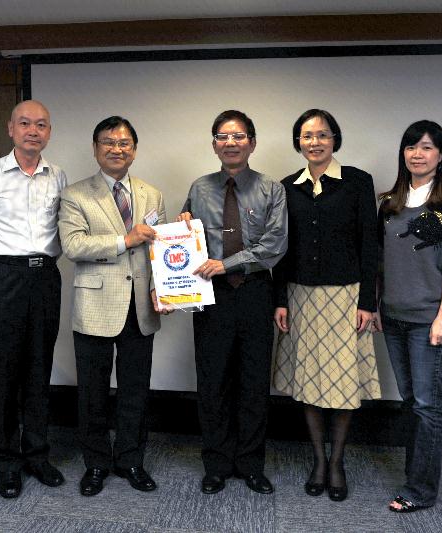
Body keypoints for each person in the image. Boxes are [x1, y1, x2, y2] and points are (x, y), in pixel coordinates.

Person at [272, 109, 381, 502]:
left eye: (322, 134)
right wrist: (280, 300)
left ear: (335, 139)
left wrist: (368, 302)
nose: (314, 142)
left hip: (346, 296)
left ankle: (337, 462)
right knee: (309, 381)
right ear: (298, 142)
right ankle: (319, 460)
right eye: (307, 135)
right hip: (300, 296)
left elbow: (370, 244)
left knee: (343, 382)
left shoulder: (357, 182)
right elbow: (281, 249)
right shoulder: (287, 187)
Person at [0, 99, 67, 499]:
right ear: (11, 129)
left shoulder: (58, 176)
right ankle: (6, 461)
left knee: (39, 369)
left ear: (49, 132)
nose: (33, 131)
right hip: (3, 277)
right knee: (5, 371)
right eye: (25, 123)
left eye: (41, 124)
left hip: (45, 278)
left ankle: (37, 454)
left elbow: (63, 230)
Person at [178, 110, 287, 495]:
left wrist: (226, 264)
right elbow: (184, 242)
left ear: (252, 143)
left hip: (255, 292)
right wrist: (181, 228)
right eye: (222, 137)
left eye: (238, 136)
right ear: (214, 145)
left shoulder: (271, 189)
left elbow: (274, 246)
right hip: (211, 296)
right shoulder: (199, 188)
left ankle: (251, 464)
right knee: (213, 382)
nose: (230, 143)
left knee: (253, 382)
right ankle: (217, 464)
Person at [59, 116, 168, 497]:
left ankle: (131, 460)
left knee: (136, 390)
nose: (116, 149)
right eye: (108, 142)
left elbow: (160, 250)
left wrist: (163, 290)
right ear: (95, 149)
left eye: (124, 143)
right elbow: (73, 246)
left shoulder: (152, 194)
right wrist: (125, 240)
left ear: (134, 150)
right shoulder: (75, 194)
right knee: (92, 392)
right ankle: (96, 464)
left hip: (141, 307)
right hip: (95, 306)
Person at [377, 120, 442, 513]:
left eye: (428, 147)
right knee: (412, 402)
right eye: (411, 146)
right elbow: (382, 262)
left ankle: (420, 490)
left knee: (427, 405)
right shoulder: (390, 203)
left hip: (430, 321)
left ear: (441, 155)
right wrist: (379, 306)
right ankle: (415, 478)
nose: (418, 154)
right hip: (394, 318)